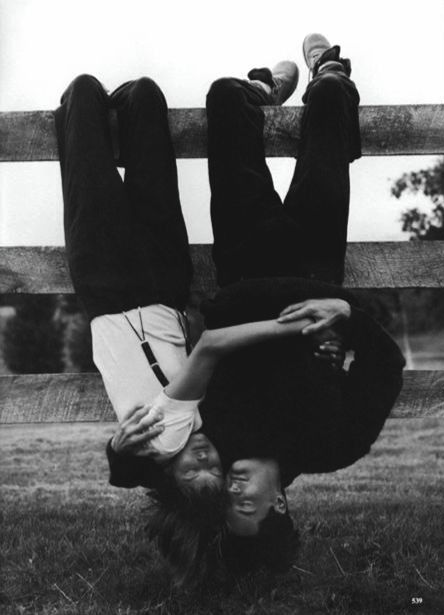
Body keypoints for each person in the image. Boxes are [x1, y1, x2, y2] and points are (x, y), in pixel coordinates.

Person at [53, 73, 329, 585]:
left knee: (86, 119)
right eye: (215, 473)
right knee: (145, 103)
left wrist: (121, 453)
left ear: (170, 480)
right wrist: (118, 455)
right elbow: (136, 472)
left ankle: (87, 103)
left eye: (192, 473)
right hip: (164, 284)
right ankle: (114, 103)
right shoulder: (200, 436)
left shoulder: (167, 437)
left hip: (111, 285)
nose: (206, 462)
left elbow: (204, 360)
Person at [199, 33, 405, 571]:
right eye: (246, 504)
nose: (233, 490)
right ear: (282, 503)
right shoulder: (334, 444)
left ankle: (261, 92)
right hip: (316, 266)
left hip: (243, 261)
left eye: (227, 501)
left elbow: (203, 344)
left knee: (224, 97)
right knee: (333, 109)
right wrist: (349, 318)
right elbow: (387, 366)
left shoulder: (215, 439)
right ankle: (327, 73)